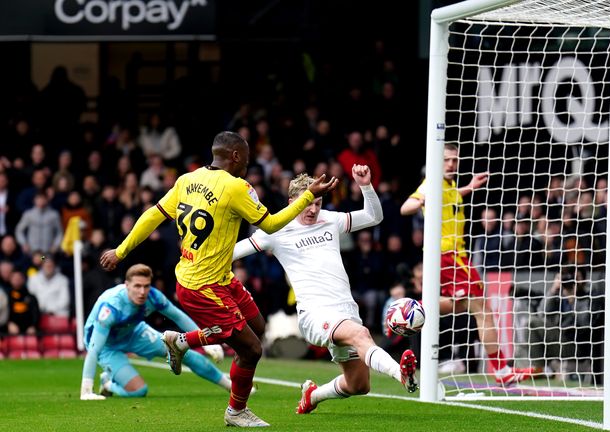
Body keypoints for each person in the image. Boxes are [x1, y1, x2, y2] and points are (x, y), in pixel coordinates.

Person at [99, 131, 337, 427]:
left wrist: (121, 251)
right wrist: (308, 197)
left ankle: (182, 341)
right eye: (247, 159)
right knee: (251, 349)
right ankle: (236, 411)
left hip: (216, 278)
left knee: (256, 327)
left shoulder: (186, 180)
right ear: (235, 156)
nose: (248, 166)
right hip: (202, 287)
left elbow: (152, 216)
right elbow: (273, 225)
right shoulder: (237, 187)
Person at [232, 164, 418, 415]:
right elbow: (233, 252)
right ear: (292, 202)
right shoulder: (275, 230)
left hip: (345, 310)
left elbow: (374, 217)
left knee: (358, 384)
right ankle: (402, 374)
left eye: (317, 203)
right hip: (315, 313)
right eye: (307, 203)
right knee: (361, 334)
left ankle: (313, 395)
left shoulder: (329, 219)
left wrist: (365, 186)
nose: (313, 209)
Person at [400, 143, 535, 385]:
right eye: (446, 160)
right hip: (448, 255)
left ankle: (409, 311)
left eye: (454, 160)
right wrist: (421, 201)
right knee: (482, 308)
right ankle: (502, 370)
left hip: (453, 255)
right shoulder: (431, 183)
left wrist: (469, 188)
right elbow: (406, 207)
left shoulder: (448, 186)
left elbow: (449, 198)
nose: (451, 164)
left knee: (467, 305)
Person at [79, 264, 231, 400]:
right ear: (126, 285)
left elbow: (177, 316)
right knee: (139, 391)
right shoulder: (111, 307)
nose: (142, 292)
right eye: (137, 286)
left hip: (134, 332)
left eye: (146, 286)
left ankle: (230, 387)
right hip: (106, 346)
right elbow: (94, 349)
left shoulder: (153, 296)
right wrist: (86, 390)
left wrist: (204, 342)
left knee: (182, 351)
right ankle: (108, 384)